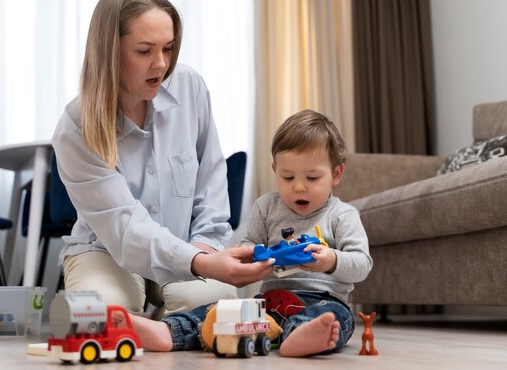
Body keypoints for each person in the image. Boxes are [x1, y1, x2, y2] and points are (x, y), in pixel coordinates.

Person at [51, 0, 273, 317]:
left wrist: (203, 252)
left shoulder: (190, 87)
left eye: (168, 48)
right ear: (110, 52)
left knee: (219, 313)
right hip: (106, 251)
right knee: (105, 316)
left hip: (188, 244)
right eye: (144, 51)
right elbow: (125, 230)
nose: (161, 64)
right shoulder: (76, 127)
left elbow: (211, 184)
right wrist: (201, 264)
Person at [129, 109, 373, 357]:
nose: (299, 187)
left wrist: (331, 260)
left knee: (334, 317)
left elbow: (362, 263)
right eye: (287, 177)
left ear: (336, 174)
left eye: (312, 178)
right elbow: (248, 246)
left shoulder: (343, 214)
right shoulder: (266, 207)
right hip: (269, 301)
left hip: (323, 298)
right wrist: (251, 256)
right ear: (274, 169)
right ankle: (170, 331)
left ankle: (301, 335)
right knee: (221, 311)